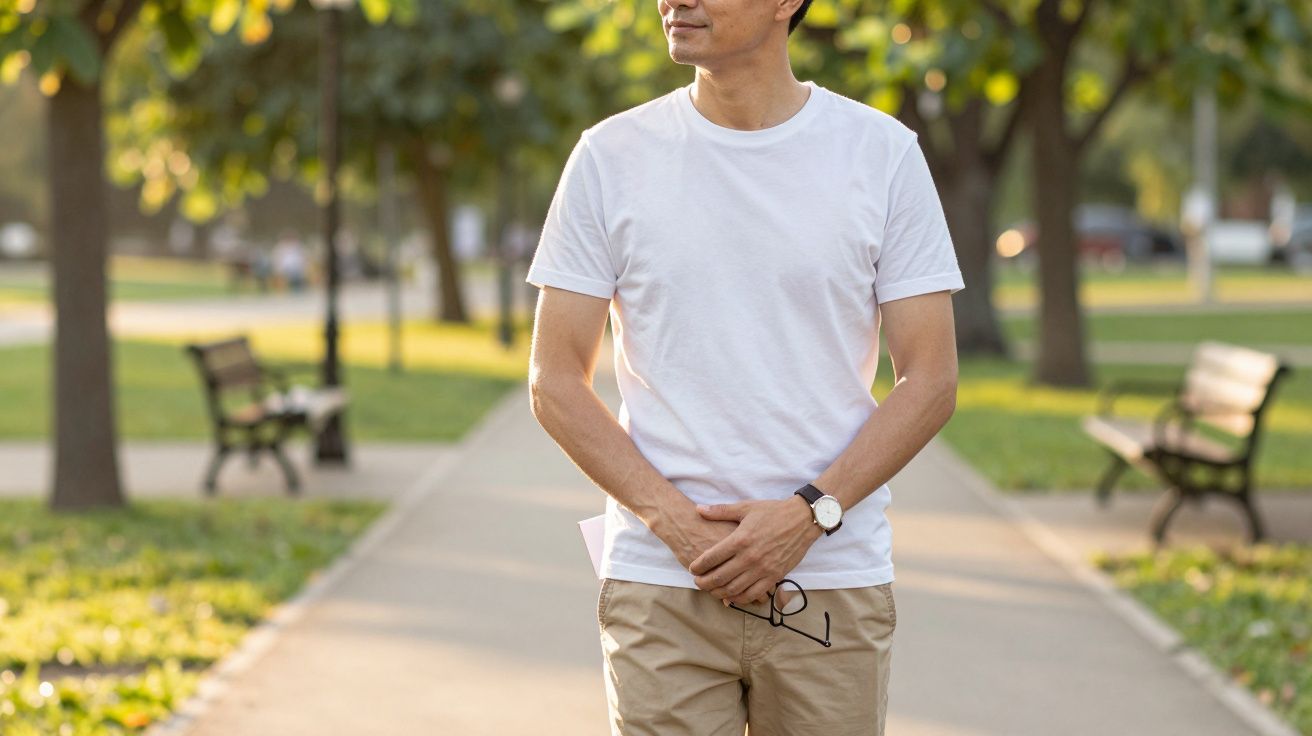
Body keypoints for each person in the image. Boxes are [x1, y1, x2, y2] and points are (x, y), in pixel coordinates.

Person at [525, 0, 964, 733]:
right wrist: (675, 524)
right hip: (665, 581)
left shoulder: (881, 155)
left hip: (828, 583)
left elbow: (932, 380)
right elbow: (554, 380)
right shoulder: (610, 157)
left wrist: (807, 516)